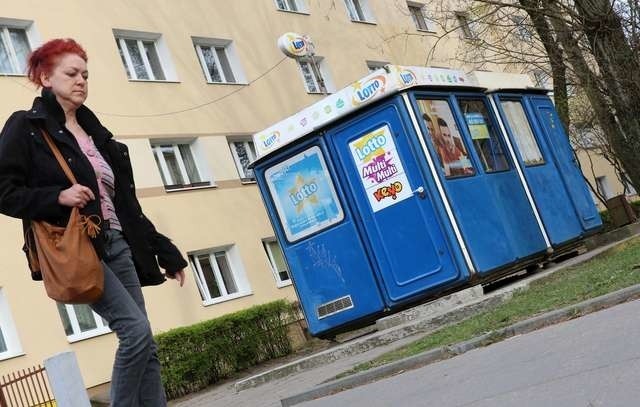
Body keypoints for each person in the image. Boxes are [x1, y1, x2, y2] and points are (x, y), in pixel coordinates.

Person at [0, 38, 187, 406]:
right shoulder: (27, 127)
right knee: (134, 332)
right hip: (80, 247)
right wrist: (57, 196)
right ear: (45, 77)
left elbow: (126, 207)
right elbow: (3, 191)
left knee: (144, 342)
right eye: (71, 73)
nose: (81, 80)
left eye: (85, 74)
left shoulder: (99, 137)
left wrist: (167, 252)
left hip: (118, 244)